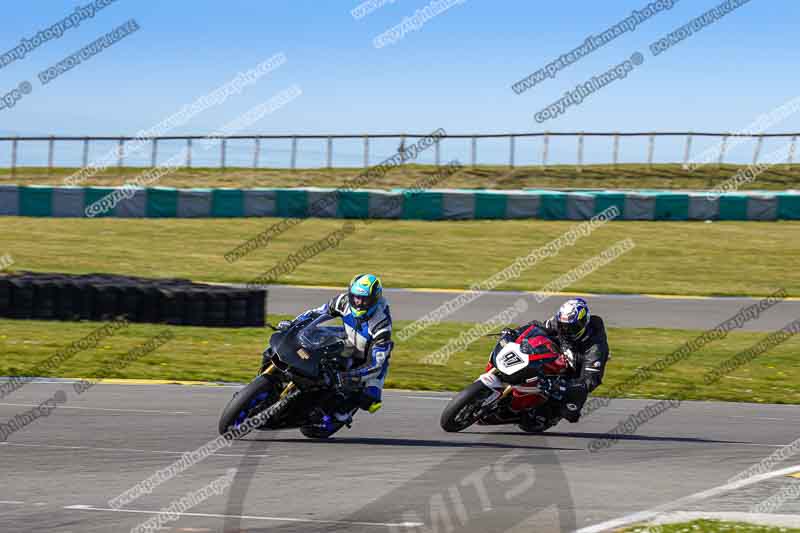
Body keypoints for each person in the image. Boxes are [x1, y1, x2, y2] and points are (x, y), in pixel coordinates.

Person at [279, 273, 392, 432]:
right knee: (309, 340)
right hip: (349, 339)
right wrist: (293, 324)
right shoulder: (344, 301)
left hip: (369, 358)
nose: (358, 302)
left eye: (364, 299)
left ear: (375, 299)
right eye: (356, 297)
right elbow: (316, 313)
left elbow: (377, 364)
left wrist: (351, 376)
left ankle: (339, 416)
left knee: (369, 399)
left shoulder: (381, 324)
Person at [500, 298, 609, 431]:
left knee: (569, 412)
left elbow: (590, 381)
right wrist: (515, 332)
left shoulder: (596, 348)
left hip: (571, 377)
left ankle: (543, 413)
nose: (566, 330)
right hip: (554, 358)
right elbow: (537, 327)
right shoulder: (560, 322)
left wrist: (563, 386)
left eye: (571, 328)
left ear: (583, 324)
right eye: (563, 325)